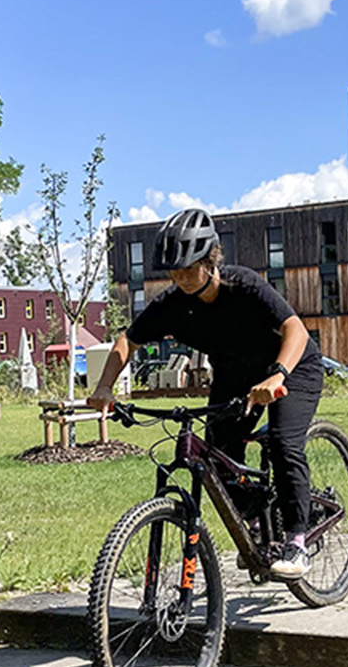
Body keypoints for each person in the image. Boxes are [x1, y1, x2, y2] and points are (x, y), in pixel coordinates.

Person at [87, 207, 327, 580]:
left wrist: (277, 375)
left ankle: (296, 541)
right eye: (173, 271)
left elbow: (295, 330)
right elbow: (127, 341)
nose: (180, 277)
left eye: (188, 268)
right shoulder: (171, 306)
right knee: (216, 458)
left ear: (210, 258)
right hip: (236, 377)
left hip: (293, 367)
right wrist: (104, 386)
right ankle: (263, 522)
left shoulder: (243, 286)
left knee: (283, 442)